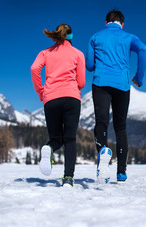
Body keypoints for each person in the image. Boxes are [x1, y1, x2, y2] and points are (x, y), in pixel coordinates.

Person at [86, 10, 146, 183]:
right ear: (122, 23)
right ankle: (121, 172)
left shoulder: (95, 37)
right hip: (122, 85)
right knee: (120, 127)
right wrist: (139, 77)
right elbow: (143, 49)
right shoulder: (129, 37)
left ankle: (103, 155)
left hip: (100, 84)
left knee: (101, 122)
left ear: (106, 21)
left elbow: (89, 65)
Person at [31, 24, 85, 187]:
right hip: (71, 98)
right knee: (69, 139)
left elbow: (34, 68)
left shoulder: (45, 53)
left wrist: (41, 91)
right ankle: (68, 178)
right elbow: (81, 82)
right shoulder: (78, 54)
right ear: (71, 36)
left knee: (56, 138)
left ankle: (48, 148)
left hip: (51, 99)